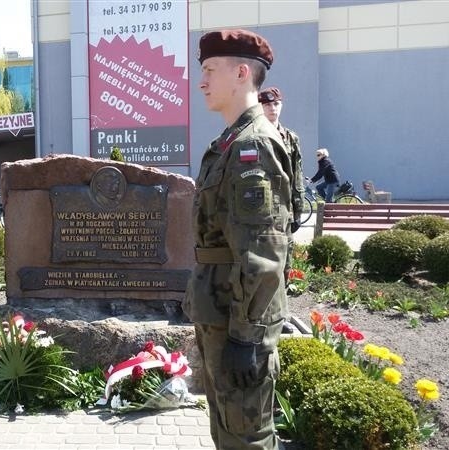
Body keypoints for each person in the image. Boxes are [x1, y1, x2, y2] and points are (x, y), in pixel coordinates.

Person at [184, 29, 294, 450]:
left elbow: (264, 252)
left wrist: (245, 337)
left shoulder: (254, 147)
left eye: (210, 70)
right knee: (227, 431)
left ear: (241, 73)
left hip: (238, 320)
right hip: (220, 310)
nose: (202, 80)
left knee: (246, 438)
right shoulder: (229, 142)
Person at [259, 87, 304, 329]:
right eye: (267, 105)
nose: (272, 109)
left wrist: (298, 208)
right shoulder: (253, 136)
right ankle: (262, 315)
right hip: (260, 212)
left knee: (284, 264)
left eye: (275, 104)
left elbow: (296, 175)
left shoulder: (290, 138)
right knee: (261, 264)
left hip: (284, 212)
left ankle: (280, 315)